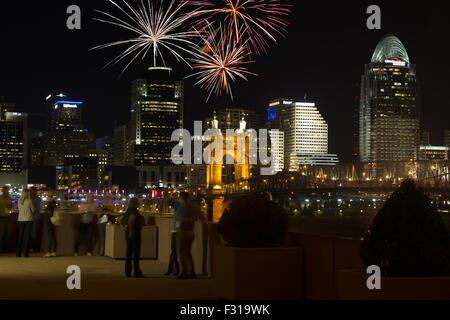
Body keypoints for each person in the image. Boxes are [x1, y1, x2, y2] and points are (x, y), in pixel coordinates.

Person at [175, 192, 201, 279]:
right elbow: (199, 216)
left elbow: (179, 219)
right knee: (188, 252)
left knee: (181, 253)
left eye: (179, 197)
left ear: (182, 198)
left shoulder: (182, 208)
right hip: (191, 232)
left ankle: (184, 272)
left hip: (182, 232)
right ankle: (192, 271)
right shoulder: (193, 207)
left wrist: (181, 219)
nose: (178, 199)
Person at [119, 197, 145, 278]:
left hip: (128, 234)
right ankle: (137, 272)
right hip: (135, 234)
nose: (139, 203)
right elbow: (131, 219)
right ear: (135, 203)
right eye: (138, 202)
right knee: (136, 253)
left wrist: (123, 228)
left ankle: (127, 271)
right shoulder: (134, 211)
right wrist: (132, 231)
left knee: (128, 253)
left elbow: (120, 219)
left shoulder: (128, 210)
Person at [16, 189, 35, 258]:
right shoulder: (29, 201)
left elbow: (19, 209)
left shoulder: (19, 201)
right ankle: (25, 253)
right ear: (28, 194)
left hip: (20, 219)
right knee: (27, 237)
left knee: (20, 236)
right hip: (28, 219)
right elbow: (33, 210)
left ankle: (18, 253)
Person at [165, 194, 179, 276]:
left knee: (174, 251)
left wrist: (169, 196)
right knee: (174, 252)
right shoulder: (179, 205)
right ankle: (173, 269)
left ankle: (171, 269)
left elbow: (168, 202)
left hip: (177, 231)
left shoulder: (179, 205)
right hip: (175, 231)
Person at [44, 193, 58, 258]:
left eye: (47, 196)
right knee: (53, 237)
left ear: (50, 197)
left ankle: (48, 252)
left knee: (50, 237)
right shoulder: (54, 203)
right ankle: (54, 251)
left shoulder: (50, 204)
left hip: (49, 221)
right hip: (53, 221)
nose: (47, 197)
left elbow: (48, 212)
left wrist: (45, 210)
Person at [0, 186, 13, 253]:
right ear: (3, 191)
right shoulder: (0, 198)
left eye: (7, 190)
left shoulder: (9, 198)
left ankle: (5, 249)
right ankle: (1, 249)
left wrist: (10, 206)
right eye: (6, 190)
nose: (7, 191)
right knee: (1, 234)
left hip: (8, 217)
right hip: (1, 217)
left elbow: (12, 206)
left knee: (8, 233)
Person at [30, 187, 42, 253]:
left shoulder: (32, 199)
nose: (30, 192)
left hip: (33, 218)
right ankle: (34, 248)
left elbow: (36, 210)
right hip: (35, 217)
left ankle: (32, 247)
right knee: (34, 233)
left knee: (32, 233)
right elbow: (38, 209)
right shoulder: (38, 199)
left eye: (31, 191)